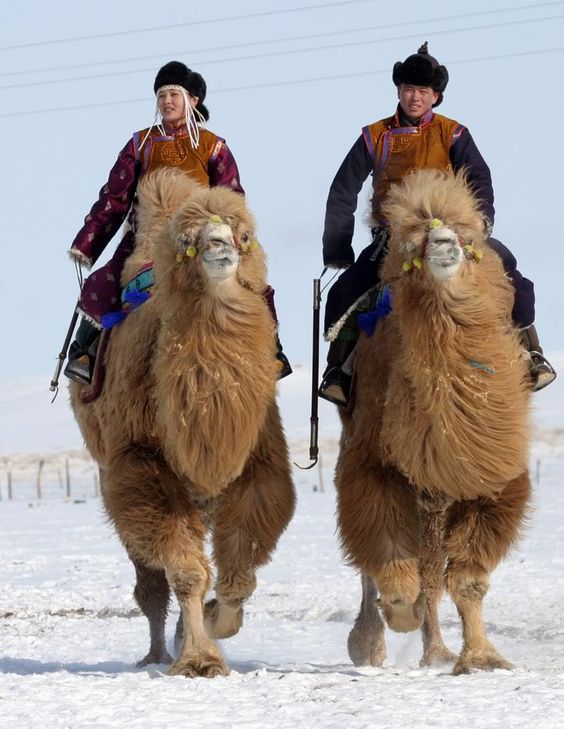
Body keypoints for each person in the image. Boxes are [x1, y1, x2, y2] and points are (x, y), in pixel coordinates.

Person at [318, 42, 556, 405]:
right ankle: (340, 369)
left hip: (452, 230)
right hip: (396, 234)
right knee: (346, 290)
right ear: (399, 91)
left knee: (508, 271)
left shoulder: (453, 133)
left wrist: (481, 222)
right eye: (409, 90)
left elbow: (479, 178)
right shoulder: (375, 135)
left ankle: (530, 353)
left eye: (423, 92)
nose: (415, 97)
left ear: (436, 96)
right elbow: (343, 189)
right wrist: (337, 247)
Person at [64, 60, 291, 384]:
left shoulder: (213, 145)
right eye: (161, 95)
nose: (167, 101)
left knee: (252, 282)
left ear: (191, 99)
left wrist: (236, 234)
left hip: (201, 234)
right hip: (146, 234)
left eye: (173, 93)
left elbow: (231, 195)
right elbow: (115, 197)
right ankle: (84, 354)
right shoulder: (140, 144)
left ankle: (271, 350)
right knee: (101, 285)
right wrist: (87, 242)